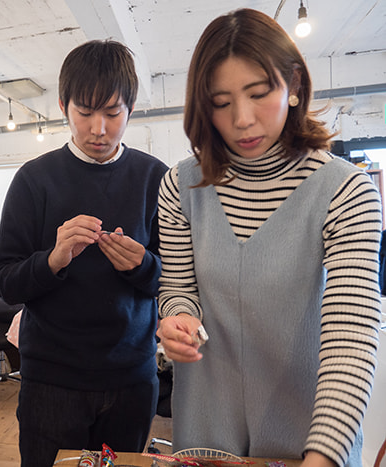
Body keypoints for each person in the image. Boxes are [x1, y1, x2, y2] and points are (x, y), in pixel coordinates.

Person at [156, 9, 382, 467]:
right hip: (206, 431)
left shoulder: (346, 190)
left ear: (294, 85)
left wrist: (322, 457)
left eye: (259, 94)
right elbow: (179, 289)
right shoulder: (181, 187)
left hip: (309, 440)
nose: (242, 119)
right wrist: (176, 319)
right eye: (220, 102)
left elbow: (350, 335)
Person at [0, 39, 169, 466]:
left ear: (131, 107)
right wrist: (53, 260)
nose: (98, 129)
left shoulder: (155, 178)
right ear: (62, 105)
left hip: (132, 376)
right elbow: (5, 281)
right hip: (53, 380)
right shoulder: (34, 180)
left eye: (112, 113)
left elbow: (178, 280)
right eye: (84, 113)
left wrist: (141, 266)